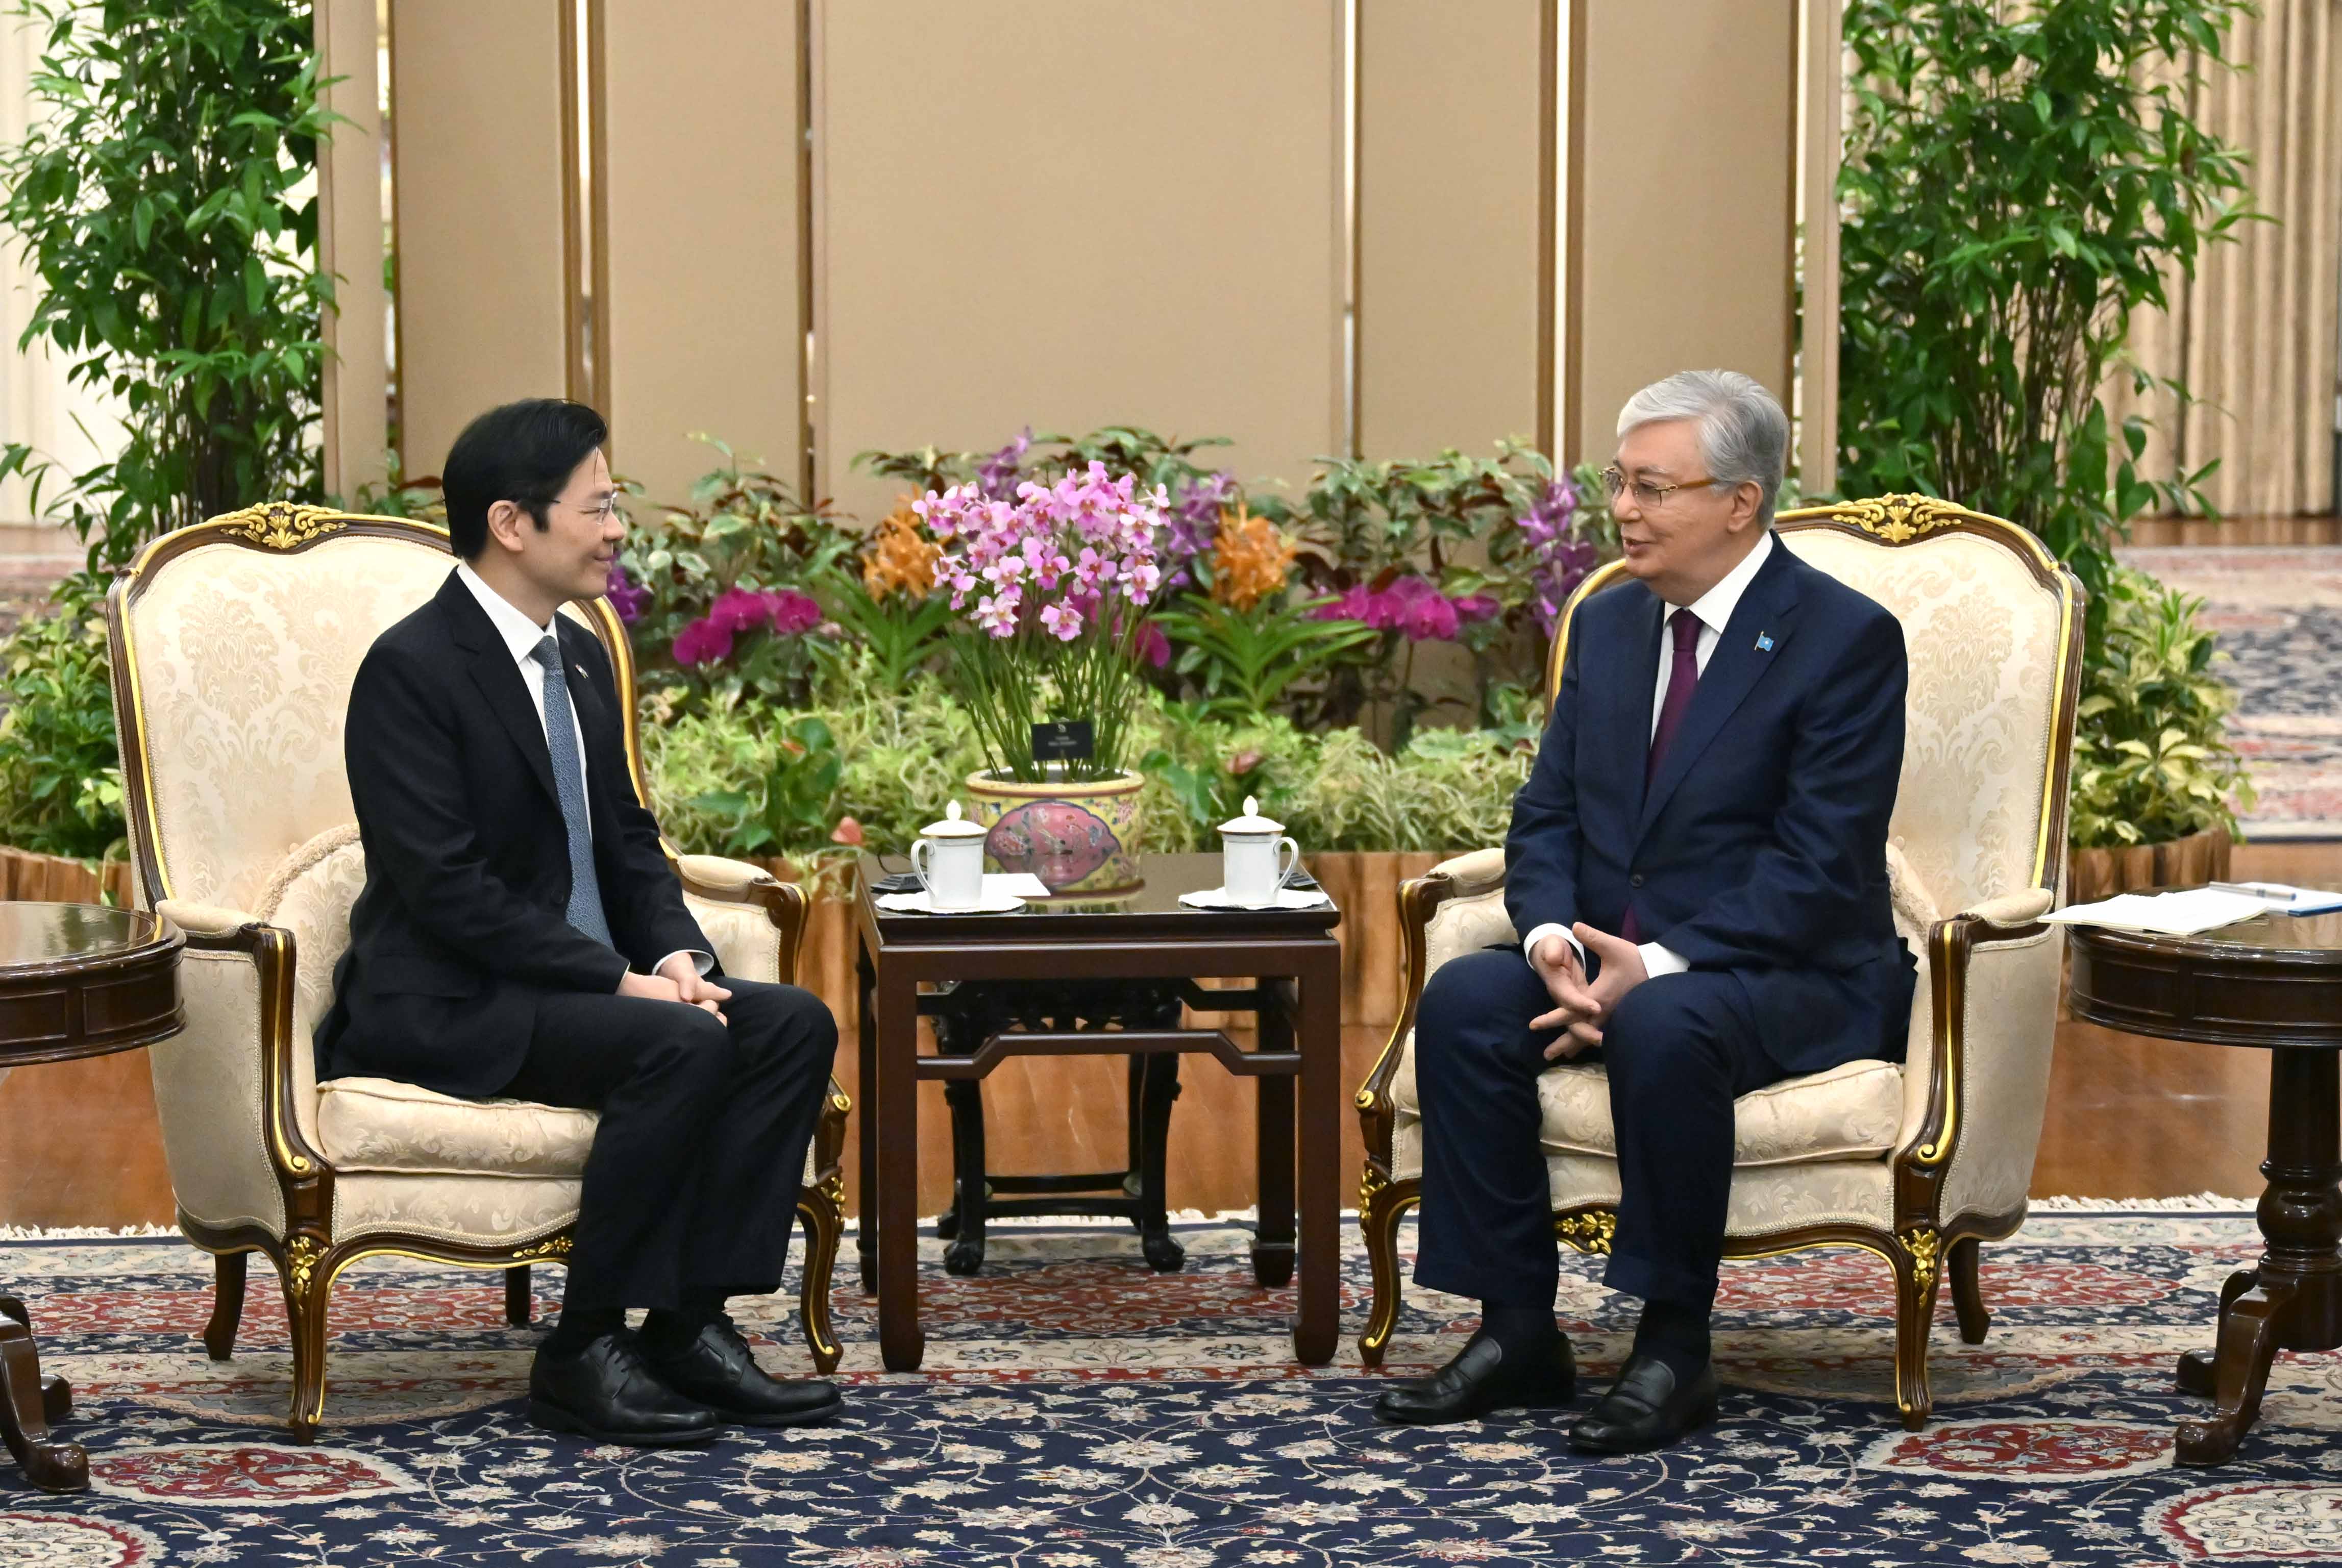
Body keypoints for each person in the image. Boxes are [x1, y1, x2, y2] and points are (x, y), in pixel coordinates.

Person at [1374, 370, 1914, 1452]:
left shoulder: (1843, 638)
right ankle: (1517, 1330)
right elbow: (1547, 815)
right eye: (1618, 483)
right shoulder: (1612, 624)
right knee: (1469, 999)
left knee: (1665, 1021)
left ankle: (1674, 1346)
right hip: (1607, 955)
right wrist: (1548, 938)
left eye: (1653, 488)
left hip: (1789, 970)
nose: (1622, 509)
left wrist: (1654, 964)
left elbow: (1819, 867)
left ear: (1741, 502)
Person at [315, 398, 843, 1447]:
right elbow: (448, 891)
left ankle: (688, 1326)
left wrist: (677, 956)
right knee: (678, 1042)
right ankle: (584, 1347)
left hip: (582, 989)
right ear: (512, 524)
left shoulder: (581, 657)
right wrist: (622, 983)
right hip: (454, 997)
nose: (616, 529)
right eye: (597, 508)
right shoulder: (412, 669)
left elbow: (630, 844)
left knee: (793, 1023)